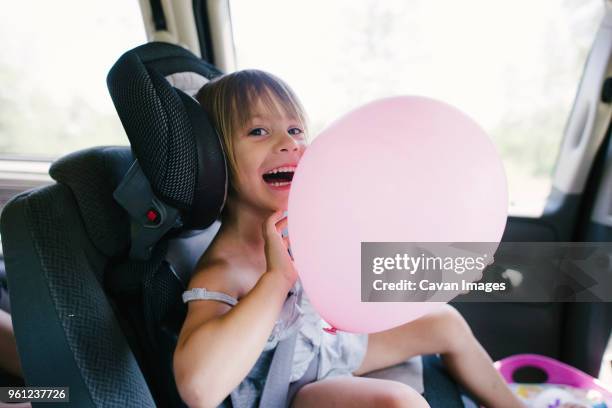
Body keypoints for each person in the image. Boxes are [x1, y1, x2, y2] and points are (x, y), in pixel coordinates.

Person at [172, 69, 525, 408]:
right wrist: (277, 279)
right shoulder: (223, 269)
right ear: (215, 158)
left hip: (330, 349)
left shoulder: (305, 222)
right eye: (259, 131)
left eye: (295, 129)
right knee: (401, 402)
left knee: (445, 322)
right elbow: (199, 390)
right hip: (294, 391)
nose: (289, 144)